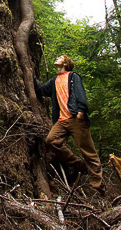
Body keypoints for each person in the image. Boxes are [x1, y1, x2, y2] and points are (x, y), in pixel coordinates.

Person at [34, 55, 104, 193]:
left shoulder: (73, 77)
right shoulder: (55, 80)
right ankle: (78, 164)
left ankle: (98, 187)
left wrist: (81, 111)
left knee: (89, 152)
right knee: (51, 140)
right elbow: (41, 91)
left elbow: (80, 93)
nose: (57, 58)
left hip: (75, 118)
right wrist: (32, 77)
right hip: (61, 121)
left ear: (65, 63)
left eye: (60, 57)